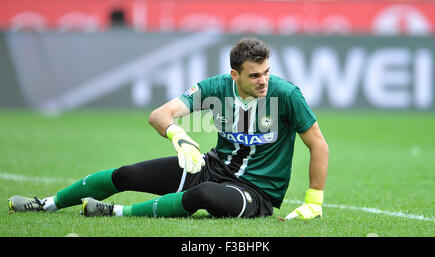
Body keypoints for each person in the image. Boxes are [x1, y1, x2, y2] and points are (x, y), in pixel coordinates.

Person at [8, 37, 329, 220]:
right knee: (126, 174)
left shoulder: (285, 94)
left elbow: (318, 145)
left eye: (267, 72)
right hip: (211, 167)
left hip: (256, 193)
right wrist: (180, 137)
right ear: (235, 75)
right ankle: (47, 203)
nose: (263, 81)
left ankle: (116, 212)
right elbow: (160, 115)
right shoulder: (216, 87)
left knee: (202, 195)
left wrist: (314, 201)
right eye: (255, 75)